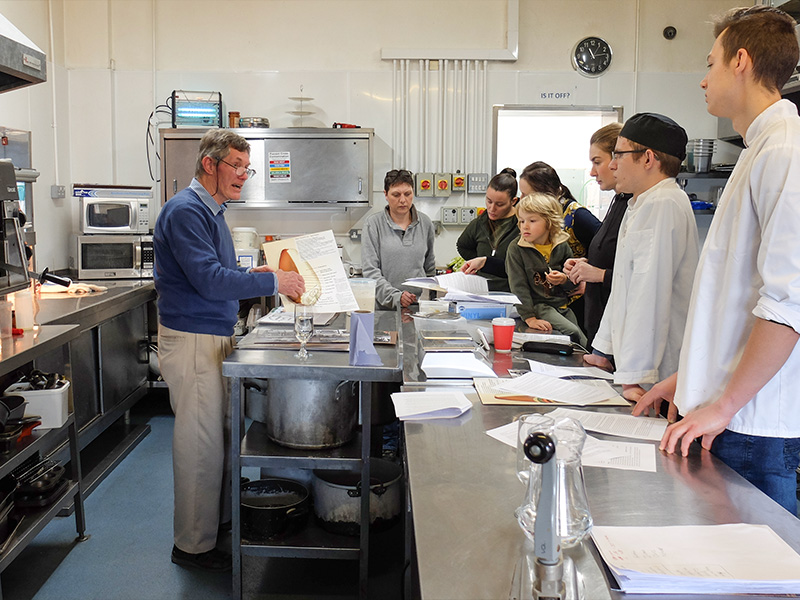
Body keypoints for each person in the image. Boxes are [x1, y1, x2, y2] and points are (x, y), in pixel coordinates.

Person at [634, 6, 800, 513]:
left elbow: (789, 304)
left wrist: (724, 404)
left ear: (742, 61)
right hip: (725, 414)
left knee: (751, 584)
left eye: (711, 64)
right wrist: (687, 378)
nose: (703, 80)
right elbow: (733, 300)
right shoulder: (758, 148)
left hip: (751, 427)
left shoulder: (785, 151)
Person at [154, 129, 305, 571]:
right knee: (200, 445)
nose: (243, 175)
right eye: (236, 166)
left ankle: (215, 528)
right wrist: (273, 281)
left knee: (218, 439)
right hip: (193, 339)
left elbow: (218, 271)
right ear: (209, 164)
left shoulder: (212, 210)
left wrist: (254, 271)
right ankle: (192, 547)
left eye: (246, 167)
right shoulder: (185, 211)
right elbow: (209, 281)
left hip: (212, 335)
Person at [589, 113, 699, 403]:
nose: (612, 165)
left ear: (648, 159)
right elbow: (624, 288)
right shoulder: (640, 201)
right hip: (633, 370)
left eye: (619, 155)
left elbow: (649, 294)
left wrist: (635, 376)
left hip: (654, 376)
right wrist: (603, 350)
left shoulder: (663, 203)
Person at [564, 123, 631, 348]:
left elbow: (640, 278)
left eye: (597, 162)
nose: (592, 172)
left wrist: (598, 274)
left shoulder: (639, 205)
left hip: (617, 336)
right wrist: (586, 265)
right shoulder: (618, 201)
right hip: (600, 330)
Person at [505, 193, 587, 346]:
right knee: (573, 332)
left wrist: (564, 279)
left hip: (562, 306)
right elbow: (518, 287)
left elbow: (573, 281)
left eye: (532, 220)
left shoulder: (561, 244)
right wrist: (530, 318)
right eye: (522, 221)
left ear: (549, 222)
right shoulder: (516, 249)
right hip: (540, 307)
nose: (525, 226)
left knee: (583, 340)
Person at [362, 169, 436, 310]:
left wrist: (431, 299)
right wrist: (396, 296)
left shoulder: (425, 223)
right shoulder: (373, 224)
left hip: (418, 308)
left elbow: (430, 267)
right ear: (386, 195)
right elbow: (371, 271)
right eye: (396, 195)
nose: (403, 200)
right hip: (385, 308)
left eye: (407, 194)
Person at [519, 161, 600, 259]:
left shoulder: (578, 215)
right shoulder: (526, 217)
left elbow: (605, 245)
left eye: (526, 195)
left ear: (546, 194)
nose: (521, 199)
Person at [457, 168, 519, 291]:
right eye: (488, 201)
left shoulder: (522, 226)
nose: (491, 208)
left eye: (499, 204)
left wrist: (487, 263)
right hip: (481, 290)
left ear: (513, 201)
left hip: (512, 292)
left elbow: (520, 267)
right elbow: (462, 246)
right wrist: (479, 260)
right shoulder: (480, 223)